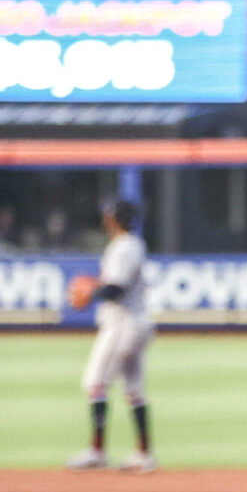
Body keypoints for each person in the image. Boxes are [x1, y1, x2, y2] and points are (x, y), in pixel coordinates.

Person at [66, 200, 155, 473]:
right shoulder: (134, 245)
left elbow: (116, 289)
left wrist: (90, 292)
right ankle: (143, 454)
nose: (106, 219)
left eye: (109, 215)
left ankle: (97, 451)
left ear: (116, 219)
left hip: (122, 324)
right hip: (137, 323)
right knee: (134, 389)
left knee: (95, 382)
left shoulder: (123, 247)